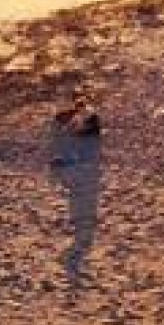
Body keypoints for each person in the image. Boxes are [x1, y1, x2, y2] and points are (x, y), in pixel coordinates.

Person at [48, 108, 104, 286]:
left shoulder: (86, 143)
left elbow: (73, 166)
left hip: (82, 194)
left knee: (82, 227)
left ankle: (75, 257)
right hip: (83, 193)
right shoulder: (83, 141)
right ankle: (75, 258)